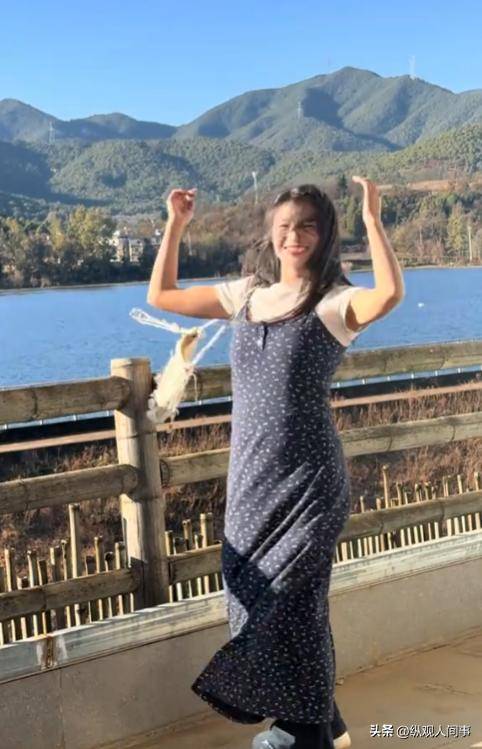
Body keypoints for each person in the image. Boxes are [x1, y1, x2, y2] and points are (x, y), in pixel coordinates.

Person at [147, 180, 405, 748]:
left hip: (309, 483)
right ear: (271, 231)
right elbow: (161, 294)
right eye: (285, 225)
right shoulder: (245, 295)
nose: (294, 235)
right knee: (252, 597)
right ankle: (329, 727)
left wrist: (372, 218)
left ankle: (299, 734)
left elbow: (388, 294)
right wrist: (176, 225)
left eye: (308, 225)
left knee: (295, 604)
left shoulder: (334, 303)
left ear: (325, 233)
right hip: (251, 480)